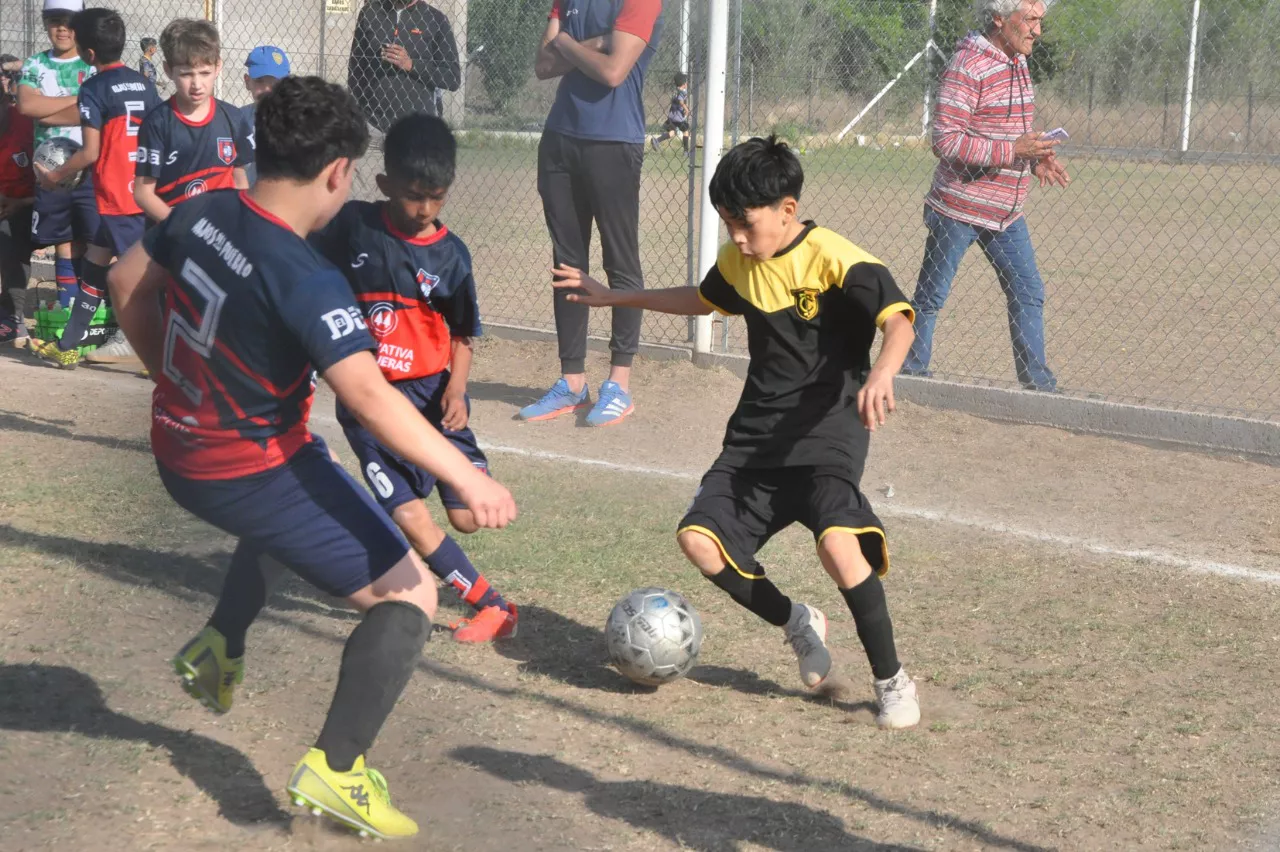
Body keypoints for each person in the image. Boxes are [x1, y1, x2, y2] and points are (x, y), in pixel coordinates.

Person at [106, 76, 517, 840]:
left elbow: (125, 281)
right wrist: (465, 474)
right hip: (243, 466)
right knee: (411, 599)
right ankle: (338, 769)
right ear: (338, 172)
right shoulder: (305, 276)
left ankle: (218, 646)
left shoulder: (201, 208)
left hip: (178, 446)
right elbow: (368, 397)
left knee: (310, 483)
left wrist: (173, 387)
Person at [554, 136, 922, 729]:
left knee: (837, 545)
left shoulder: (834, 258)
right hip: (755, 438)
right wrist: (614, 295)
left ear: (787, 208)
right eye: (728, 226)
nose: (739, 240)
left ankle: (892, 681)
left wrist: (882, 373)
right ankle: (796, 622)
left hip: (828, 432)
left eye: (746, 225)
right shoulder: (739, 261)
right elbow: (703, 300)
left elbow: (898, 318)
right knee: (699, 540)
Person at [312, 113, 518, 644]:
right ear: (383, 185)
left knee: (468, 518)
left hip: (432, 396)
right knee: (407, 513)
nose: (423, 209)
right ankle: (491, 604)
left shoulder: (452, 257)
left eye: (436, 198)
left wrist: (456, 389)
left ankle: (451, 566)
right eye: (412, 196)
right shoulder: (353, 226)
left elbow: (463, 334)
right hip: (369, 401)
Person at [902, 0, 1068, 393]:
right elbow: (944, 140)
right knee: (931, 296)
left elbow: (1014, 130)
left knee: (1028, 292)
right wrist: (1013, 151)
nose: (1037, 31)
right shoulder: (968, 65)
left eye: (1040, 21)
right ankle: (909, 375)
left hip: (1006, 214)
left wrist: (1035, 160)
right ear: (999, 19)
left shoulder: (1018, 63)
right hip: (958, 207)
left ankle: (1038, 388)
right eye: (1029, 20)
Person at [520, 0, 663, 427]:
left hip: (613, 143)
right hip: (560, 142)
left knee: (621, 262)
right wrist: (595, 42)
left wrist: (565, 42)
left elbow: (613, 71)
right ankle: (573, 383)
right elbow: (543, 66)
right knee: (567, 262)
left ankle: (618, 384)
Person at [31, 7, 160, 369]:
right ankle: (70, 344)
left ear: (88, 54)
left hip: (120, 196)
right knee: (94, 266)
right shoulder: (143, 82)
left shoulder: (93, 88)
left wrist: (54, 177)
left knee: (143, 279)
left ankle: (161, 353)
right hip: (142, 188)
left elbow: (90, 151)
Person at [16, 0, 98, 312]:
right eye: (54, 20)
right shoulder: (35, 64)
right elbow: (27, 106)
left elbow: (93, 107)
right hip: (50, 173)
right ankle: (68, 309)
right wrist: (78, 104)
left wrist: (49, 110)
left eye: (69, 20)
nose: (61, 27)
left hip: (90, 166)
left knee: (94, 242)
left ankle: (95, 315)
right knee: (63, 243)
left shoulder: (92, 63)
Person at [133, 18, 250, 223]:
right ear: (168, 70)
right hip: (174, 236)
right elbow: (143, 193)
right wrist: (182, 229)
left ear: (218, 66)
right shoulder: (157, 123)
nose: (197, 84)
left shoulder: (234, 118)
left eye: (205, 73)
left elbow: (239, 180)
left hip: (221, 233)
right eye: (186, 74)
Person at [347, 0, 461, 131]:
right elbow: (355, 69)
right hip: (372, 126)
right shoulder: (370, 13)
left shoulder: (436, 19)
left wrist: (411, 65)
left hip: (416, 129)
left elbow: (452, 78)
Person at [0, 70, 35, 347]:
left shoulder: (26, 123)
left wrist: (20, 203)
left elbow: (51, 181)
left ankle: (13, 319)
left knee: (11, 243)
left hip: (26, 204)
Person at [238, 45, 290, 186]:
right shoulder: (237, 120)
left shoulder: (298, 121)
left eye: (275, 82)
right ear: (248, 82)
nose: (267, 89)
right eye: (260, 81)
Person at [650, 71, 689, 152]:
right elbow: (681, 101)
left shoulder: (675, 91)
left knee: (672, 132)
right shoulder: (683, 92)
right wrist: (686, 109)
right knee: (685, 131)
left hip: (672, 116)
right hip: (679, 118)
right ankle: (686, 151)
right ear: (683, 83)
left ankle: (656, 140)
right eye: (686, 81)